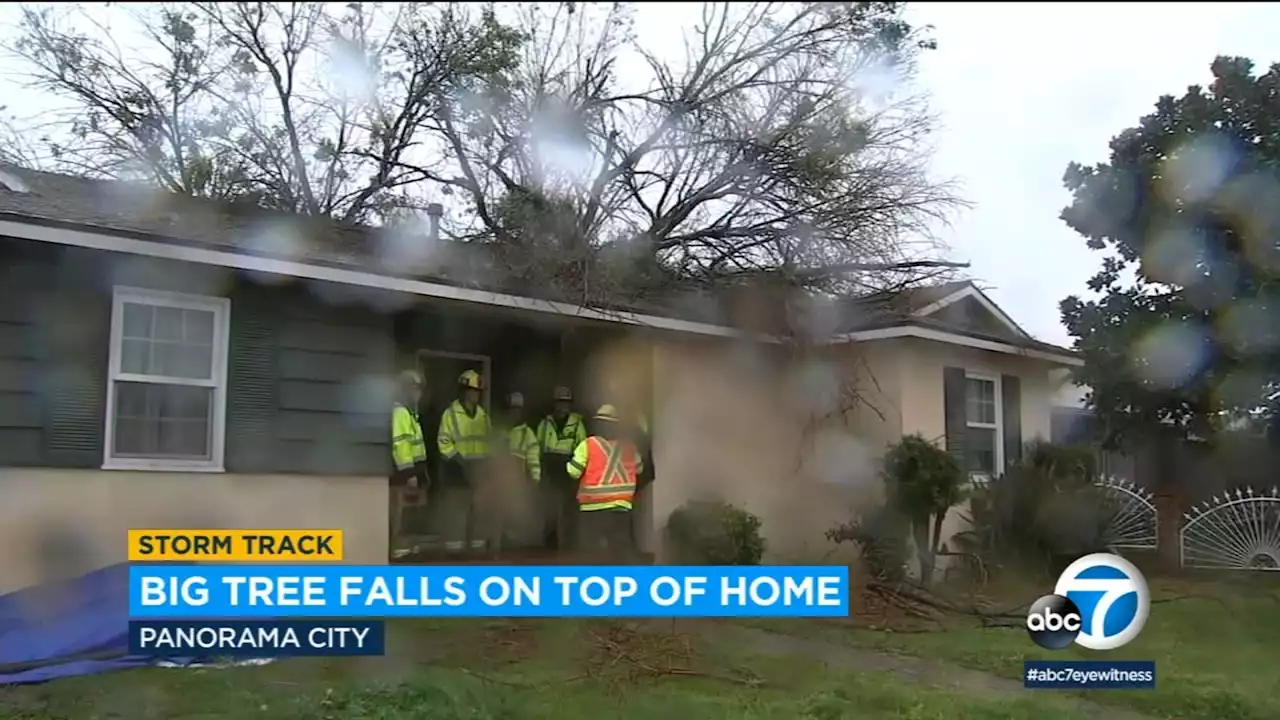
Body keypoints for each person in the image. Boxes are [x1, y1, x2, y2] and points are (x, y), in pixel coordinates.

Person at [566, 404, 644, 564]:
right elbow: (640, 469)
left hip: (592, 508)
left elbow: (573, 472)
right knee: (620, 550)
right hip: (621, 507)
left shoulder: (588, 445)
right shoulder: (628, 446)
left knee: (591, 552)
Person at [436, 369, 491, 556]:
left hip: (478, 470)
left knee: (478, 510)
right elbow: (443, 442)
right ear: (464, 391)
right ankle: (454, 551)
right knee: (457, 512)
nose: (475, 394)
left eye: (478, 391)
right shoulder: (450, 414)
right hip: (456, 469)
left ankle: (476, 549)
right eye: (472, 390)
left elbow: (488, 442)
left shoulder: (483, 416)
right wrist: (459, 461)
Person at [489, 391, 542, 553]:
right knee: (496, 514)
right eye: (511, 409)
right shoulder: (497, 431)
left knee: (514, 514)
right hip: (498, 480)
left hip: (517, 481)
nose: (514, 413)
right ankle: (495, 547)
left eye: (517, 410)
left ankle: (511, 549)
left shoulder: (527, 433)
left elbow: (533, 458)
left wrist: (535, 478)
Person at [537, 386, 587, 552]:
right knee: (550, 506)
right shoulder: (545, 423)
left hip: (569, 465)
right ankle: (550, 544)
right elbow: (538, 447)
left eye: (565, 403)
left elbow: (583, 446)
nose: (562, 406)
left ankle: (570, 543)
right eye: (559, 402)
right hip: (550, 466)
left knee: (569, 507)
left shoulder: (577, 423)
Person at [389, 370, 429, 554]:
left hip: (414, 472)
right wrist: (409, 473)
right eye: (414, 389)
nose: (418, 393)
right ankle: (396, 548)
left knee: (408, 512)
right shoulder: (400, 412)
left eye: (419, 389)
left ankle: (407, 547)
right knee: (398, 512)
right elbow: (401, 445)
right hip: (402, 474)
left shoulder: (411, 413)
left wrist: (421, 472)